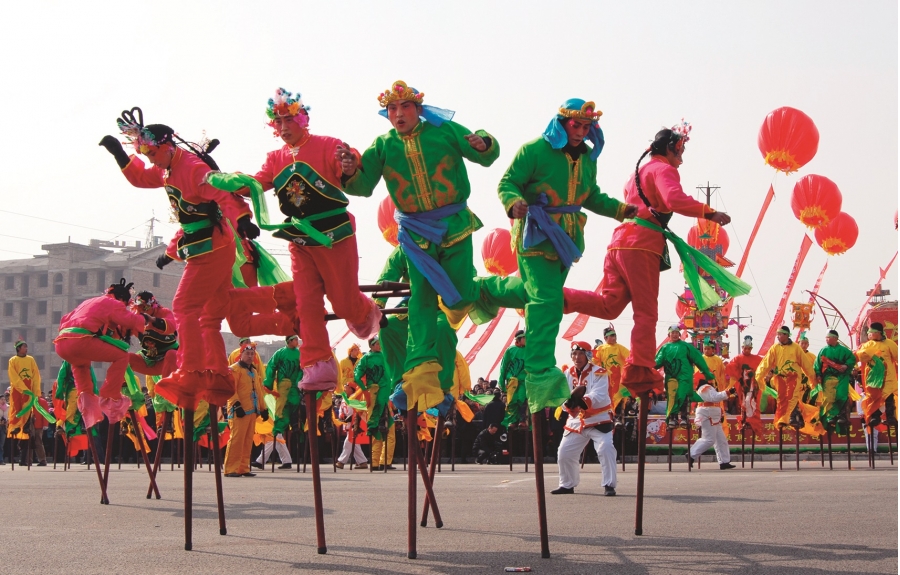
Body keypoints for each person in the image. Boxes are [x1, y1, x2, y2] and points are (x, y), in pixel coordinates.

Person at [342, 80, 501, 412]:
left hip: (454, 226)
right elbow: (363, 185)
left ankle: (480, 298)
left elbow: (483, 156)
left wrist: (484, 142)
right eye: (392, 109)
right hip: (415, 235)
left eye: (405, 107)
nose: (398, 114)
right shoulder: (383, 146)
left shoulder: (443, 130)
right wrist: (347, 171)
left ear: (419, 109)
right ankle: (416, 377)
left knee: (461, 294)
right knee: (420, 305)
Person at [100, 112, 263, 410]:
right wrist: (119, 154)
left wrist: (242, 220)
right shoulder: (167, 170)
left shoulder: (191, 168)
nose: (151, 160)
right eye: (145, 154)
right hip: (207, 246)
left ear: (167, 146)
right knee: (210, 316)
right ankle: (218, 372)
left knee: (185, 307)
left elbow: (223, 192)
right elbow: (142, 178)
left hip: (212, 248)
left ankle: (190, 369)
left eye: (152, 153)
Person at [562, 122, 732, 396]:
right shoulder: (663, 169)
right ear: (669, 147)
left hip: (619, 243)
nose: (682, 158)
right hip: (641, 246)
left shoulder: (637, 173)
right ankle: (640, 368)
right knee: (646, 312)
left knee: (610, 306)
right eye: (680, 150)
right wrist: (708, 212)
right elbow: (673, 198)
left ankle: (559, 298)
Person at [494, 99, 633, 419]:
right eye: (576, 125)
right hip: (535, 233)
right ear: (562, 123)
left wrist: (620, 210)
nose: (581, 132)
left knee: (540, 298)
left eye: (586, 127)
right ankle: (541, 374)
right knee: (545, 300)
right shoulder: (534, 150)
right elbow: (507, 182)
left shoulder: (586, 158)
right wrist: (513, 202)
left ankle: (483, 290)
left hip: (566, 241)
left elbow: (591, 196)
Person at [54, 280, 152, 428]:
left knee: (81, 366)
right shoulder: (112, 303)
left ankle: (87, 404)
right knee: (122, 356)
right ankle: (109, 395)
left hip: (62, 344)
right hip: (80, 341)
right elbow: (129, 320)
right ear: (122, 299)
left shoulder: (89, 302)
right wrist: (145, 319)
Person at [553, 341, 617, 495]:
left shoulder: (600, 372)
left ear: (588, 355)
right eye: (574, 354)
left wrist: (580, 401)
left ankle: (609, 485)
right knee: (564, 452)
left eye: (581, 353)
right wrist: (568, 404)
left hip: (598, 418)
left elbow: (600, 395)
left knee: (605, 448)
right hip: (576, 420)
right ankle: (567, 484)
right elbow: (562, 397)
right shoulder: (567, 373)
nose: (577, 357)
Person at [253, 335, 303, 470]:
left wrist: (299, 382)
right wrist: (269, 384)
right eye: (295, 340)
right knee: (276, 431)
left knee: (276, 429)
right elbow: (271, 368)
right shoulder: (279, 354)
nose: (297, 342)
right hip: (280, 391)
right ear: (289, 341)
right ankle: (284, 460)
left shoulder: (299, 354)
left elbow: (302, 369)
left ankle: (262, 460)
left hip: (288, 391)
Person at [755, 326, 817, 429]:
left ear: (786, 335)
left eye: (780, 334)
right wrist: (758, 376)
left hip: (794, 378)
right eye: (777, 334)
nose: (778, 336)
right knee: (781, 400)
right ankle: (785, 419)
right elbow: (766, 363)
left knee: (792, 397)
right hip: (780, 378)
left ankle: (788, 418)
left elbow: (806, 365)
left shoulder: (796, 348)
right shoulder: (774, 348)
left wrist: (813, 379)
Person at [655, 326, 715, 428]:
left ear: (679, 334)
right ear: (668, 335)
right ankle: (672, 418)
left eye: (676, 333)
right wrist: (646, 365)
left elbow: (698, 359)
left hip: (685, 376)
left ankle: (684, 417)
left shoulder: (686, 346)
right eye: (672, 333)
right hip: (671, 376)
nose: (674, 334)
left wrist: (706, 372)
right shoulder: (665, 348)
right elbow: (657, 362)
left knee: (682, 394)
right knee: (672, 396)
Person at [224, 345, 269, 477]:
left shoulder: (254, 372)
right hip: (239, 411)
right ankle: (231, 468)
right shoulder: (234, 370)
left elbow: (259, 392)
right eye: (247, 353)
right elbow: (231, 390)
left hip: (251, 411)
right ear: (241, 355)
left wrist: (263, 408)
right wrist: (237, 405)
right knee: (236, 440)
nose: (250, 356)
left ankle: (243, 468)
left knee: (248, 440)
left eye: (252, 353)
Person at [355, 336, 395, 470]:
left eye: (380, 343)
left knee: (389, 429)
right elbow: (356, 376)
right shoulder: (365, 359)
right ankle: (375, 462)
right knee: (376, 428)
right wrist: (365, 391)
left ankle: (385, 461)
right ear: (371, 346)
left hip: (384, 396)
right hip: (373, 395)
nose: (379, 346)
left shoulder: (385, 356)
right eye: (376, 344)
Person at [7, 340, 48, 465]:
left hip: (29, 388)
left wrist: (35, 391)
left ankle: (24, 427)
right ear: (19, 348)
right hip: (18, 389)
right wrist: (22, 388)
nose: (26, 348)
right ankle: (15, 427)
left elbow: (36, 375)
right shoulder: (12, 360)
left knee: (28, 409)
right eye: (24, 346)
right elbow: (13, 376)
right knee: (16, 409)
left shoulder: (30, 359)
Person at [686, 379, 738, 470]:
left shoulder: (708, 388)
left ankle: (724, 462)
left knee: (721, 440)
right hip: (707, 415)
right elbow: (714, 397)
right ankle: (691, 454)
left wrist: (721, 413)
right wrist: (728, 392)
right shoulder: (704, 388)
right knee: (709, 439)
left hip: (713, 416)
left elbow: (715, 402)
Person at [855, 322, 899, 427]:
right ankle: (875, 416)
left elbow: (897, 357)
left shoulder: (890, 343)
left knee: (889, 398)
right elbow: (860, 357)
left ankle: (890, 417)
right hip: (873, 378)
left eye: (871, 332)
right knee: (873, 397)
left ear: (878, 333)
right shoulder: (867, 344)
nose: (869, 334)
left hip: (887, 377)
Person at [814, 329, 856, 431]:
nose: (827, 339)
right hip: (828, 378)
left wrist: (846, 366)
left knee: (841, 396)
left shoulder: (844, 350)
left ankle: (841, 417)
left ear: (836, 339)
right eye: (826, 338)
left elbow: (852, 359)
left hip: (841, 377)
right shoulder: (823, 350)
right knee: (828, 398)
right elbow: (817, 364)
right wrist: (818, 374)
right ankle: (830, 417)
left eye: (829, 337)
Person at [594, 326, 630, 415]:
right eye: (611, 336)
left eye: (615, 335)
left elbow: (630, 358)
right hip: (605, 380)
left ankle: (618, 418)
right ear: (605, 338)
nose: (614, 338)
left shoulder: (619, 348)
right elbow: (594, 362)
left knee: (618, 398)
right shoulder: (600, 349)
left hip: (618, 379)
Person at [498, 330, 528, 428]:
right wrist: (501, 382)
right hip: (512, 381)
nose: (526, 339)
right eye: (524, 338)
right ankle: (513, 421)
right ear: (518, 339)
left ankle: (522, 420)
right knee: (512, 401)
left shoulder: (529, 350)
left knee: (522, 398)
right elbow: (504, 366)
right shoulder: (510, 350)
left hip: (523, 381)